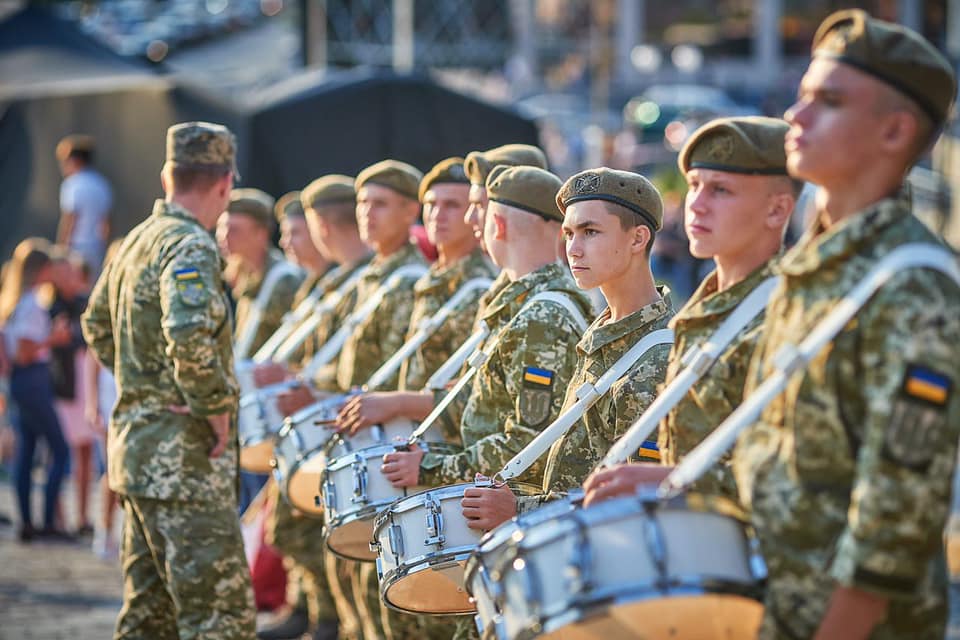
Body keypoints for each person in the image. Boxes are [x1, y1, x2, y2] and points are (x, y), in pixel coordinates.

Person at [725, 12, 953, 640]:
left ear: (894, 131)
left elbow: (896, 517)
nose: (794, 116)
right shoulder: (816, 263)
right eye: (802, 95)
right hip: (773, 607)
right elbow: (788, 454)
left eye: (827, 102)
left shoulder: (912, 285)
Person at [82, 121, 256, 639]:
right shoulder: (190, 246)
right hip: (184, 463)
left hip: (137, 455)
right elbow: (188, 335)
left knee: (148, 618)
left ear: (166, 176)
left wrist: (147, 385)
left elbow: (96, 325)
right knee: (219, 619)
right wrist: (213, 408)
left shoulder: (137, 241)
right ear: (225, 184)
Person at [582, 117, 799, 505]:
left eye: (720, 190)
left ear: (777, 210)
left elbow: (802, 477)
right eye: (695, 185)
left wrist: (678, 481)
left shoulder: (790, 316)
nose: (695, 204)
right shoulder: (701, 311)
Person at [463, 168, 674, 531]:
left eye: (590, 232)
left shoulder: (657, 357)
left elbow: (640, 506)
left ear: (638, 238)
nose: (573, 249)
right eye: (569, 234)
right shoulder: (605, 330)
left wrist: (521, 510)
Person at [381, 164, 593, 492]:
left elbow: (528, 442)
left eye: (480, 211)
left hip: (509, 503)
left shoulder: (541, 316)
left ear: (499, 225)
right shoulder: (523, 302)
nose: (471, 220)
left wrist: (431, 468)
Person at [335, 157, 496, 435]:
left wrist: (397, 403)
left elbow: (475, 397)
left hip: (445, 442)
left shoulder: (480, 288)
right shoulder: (428, 279)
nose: (437, 215)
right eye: (431, 204)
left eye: (452, 205)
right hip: (408, 434)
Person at [1, 238, 72, 542]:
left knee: (27, 452)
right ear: (41, 269)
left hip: (21, 382)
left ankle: (28, 521)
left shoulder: (16, 302)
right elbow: (24, 352)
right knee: (60, 449)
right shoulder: (31, 304)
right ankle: (47, 521)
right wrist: (53, 339)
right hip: (32, 379)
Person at [219, 188, 304, 360]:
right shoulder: (244, 274)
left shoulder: (285, 279)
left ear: (261, 234)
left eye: (233, 230)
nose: (224, 237)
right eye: (221, 228)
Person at [48, 249, 97, 535]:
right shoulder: (48, 305)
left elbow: (90, 337)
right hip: (60, 387)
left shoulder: (85, 303)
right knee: (57, 454)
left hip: (82, 386)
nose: (71, 277)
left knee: (85, 453)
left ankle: (82, 517)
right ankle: (56, 517)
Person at [56, 135, 112, 274]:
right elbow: (106, 223)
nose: (63, 166)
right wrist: (104, 249)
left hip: (75, 250)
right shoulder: (102, 184)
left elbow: (70, 219)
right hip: (96, 250)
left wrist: (62, 249)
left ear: (76, 160)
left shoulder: (72, 184)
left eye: (65, 161)